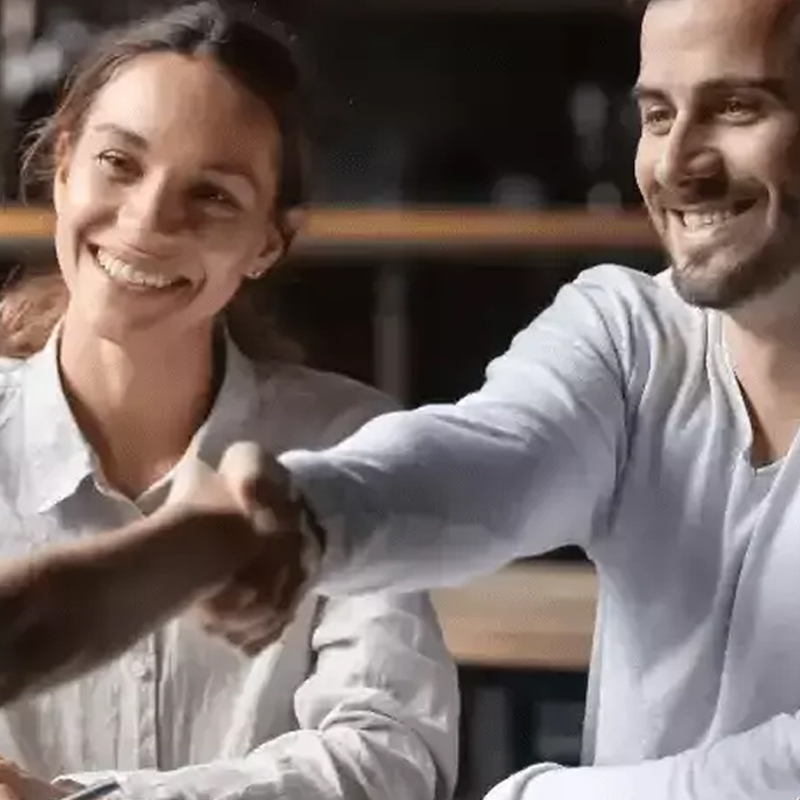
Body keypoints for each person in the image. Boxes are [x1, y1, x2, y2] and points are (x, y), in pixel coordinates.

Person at [193, 0, 800, 797]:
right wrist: (305, 515)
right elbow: (485, 458)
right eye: (656, 115)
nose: (678, 163)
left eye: (735, 107)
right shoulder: (632, 332)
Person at [0, 3, 458, 800]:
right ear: (63, 166)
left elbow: (392, 756)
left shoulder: (349, 445)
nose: (148, 222)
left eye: (212, 194)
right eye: (119, 162)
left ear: (267, 244)